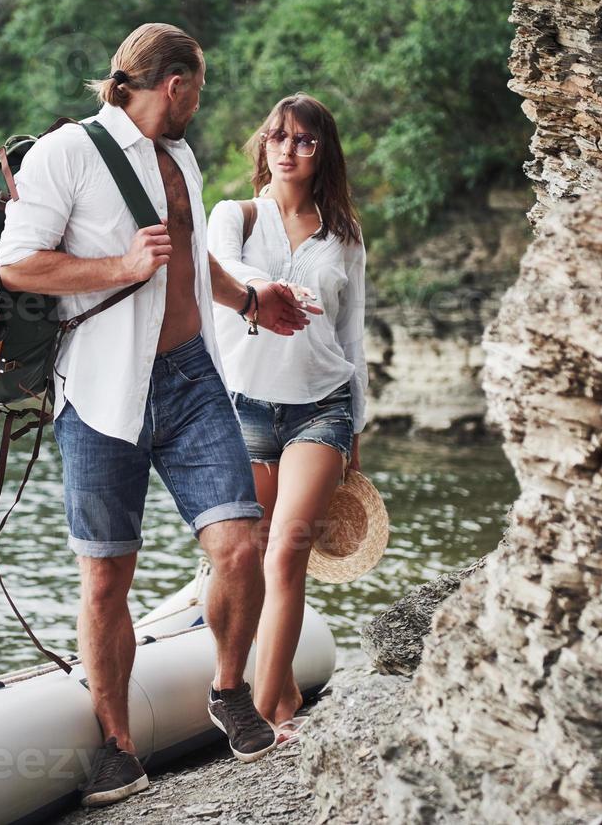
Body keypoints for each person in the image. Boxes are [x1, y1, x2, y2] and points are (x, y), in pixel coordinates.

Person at [0, 24, 321, 807]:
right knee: (108, 579)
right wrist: (119, 266)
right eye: (197, 90)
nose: (199, 105)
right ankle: (116, 748)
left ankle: (227, 690)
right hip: (99, 393)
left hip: (188, 378)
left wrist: (248, 298)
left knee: (240, 543)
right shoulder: (66, 152)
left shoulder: (177, 156)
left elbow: (183, 253)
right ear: (172, 84)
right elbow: (16, 262)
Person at [207, 92, 367, 743]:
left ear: (322, 152)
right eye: (277, 136)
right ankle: (277, 692)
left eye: (304, 140)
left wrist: (357, 426)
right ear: (262, 144)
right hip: (242, 404)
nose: (287, 149)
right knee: (237, 562)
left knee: (286, 558)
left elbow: (354, 337)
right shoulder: (234, 216)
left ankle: (265, 713)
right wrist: (267, 291)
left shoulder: (344, 238)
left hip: (320, 407)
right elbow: (215, 272)